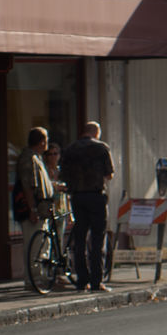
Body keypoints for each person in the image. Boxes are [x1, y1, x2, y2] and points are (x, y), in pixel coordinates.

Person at [59, 120, 114, 293]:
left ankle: (82, 280)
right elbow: (109, 174)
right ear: (96, 133)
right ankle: (97, 281)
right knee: (97, 239)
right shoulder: (101, 148)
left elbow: (64, 175)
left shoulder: (70, 149)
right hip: (96, 196)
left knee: (80, 238)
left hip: (77, 197)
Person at [16, 127, 53, 290]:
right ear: (41, 141)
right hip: (34, 209)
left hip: (42, 208)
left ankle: (40, 277)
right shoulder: (28, 158)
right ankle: (33, 279)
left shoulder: (36, 158)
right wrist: (33, 209)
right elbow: (28, 187)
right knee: (34, 244)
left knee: (41, 243)